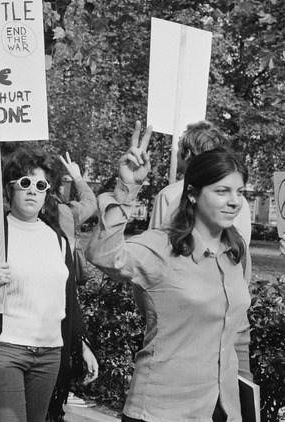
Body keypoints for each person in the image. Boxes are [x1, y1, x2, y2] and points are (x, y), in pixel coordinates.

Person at [86, 124, 253, 421]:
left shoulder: (236, 252)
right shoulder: (162, 247)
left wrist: (245, 389)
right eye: (222, 191)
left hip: (223, 409)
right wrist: (126, 190)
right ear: (192, 194)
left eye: (239, 192)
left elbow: (237, 327)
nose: (234, 201)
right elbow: (103, 255)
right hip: (161, 409)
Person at [0, 147, 97, 421]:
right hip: (6, 351)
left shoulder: (57, 239)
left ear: (47, 192)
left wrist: (82, 344)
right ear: (10, 190)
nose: (32, 190)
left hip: (50, 353)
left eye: (40, 184)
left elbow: (68, 300)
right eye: (25, 183)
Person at [149, 121, 252, 244]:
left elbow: (156, 247)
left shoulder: (169, 194)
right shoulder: (239, 199)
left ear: (187, 153)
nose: (234, 201)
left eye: (178, 147)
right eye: (221, 191)